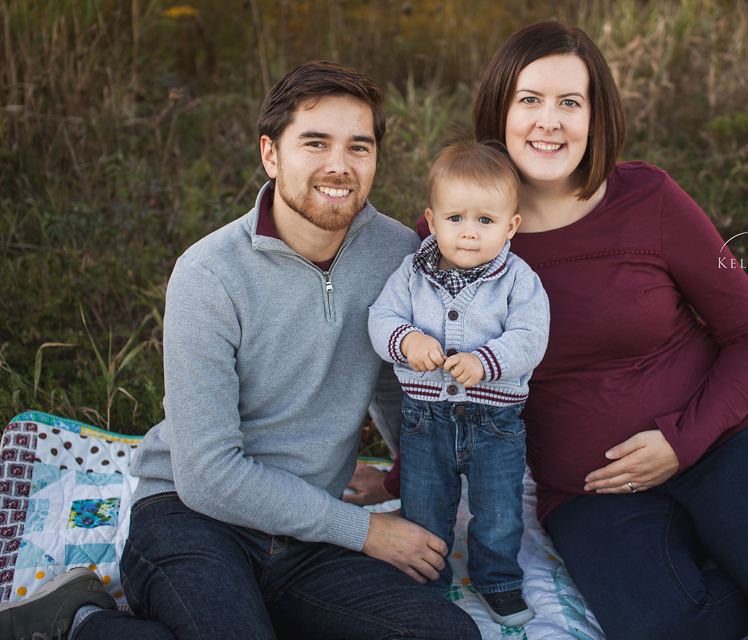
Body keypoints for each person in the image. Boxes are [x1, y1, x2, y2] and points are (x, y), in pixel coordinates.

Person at [349, 21, 748, 640]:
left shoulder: (650, 199)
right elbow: (437, 379)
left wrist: (681, 441)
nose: (548, 121)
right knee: (665, 631)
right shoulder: (456, 232)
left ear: (597, 114)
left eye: (570, 102)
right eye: (529, 99)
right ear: (499, 110)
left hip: (719, 438)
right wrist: (398, 479)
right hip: (593, 488)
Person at [0, 61, 481, 640]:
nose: (340, 165)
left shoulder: (397, 254)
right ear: (270, 154)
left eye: (360, 146)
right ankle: (76, 621)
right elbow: (207, 475)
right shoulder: (209, 274)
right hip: (191, 519)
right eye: (315, 143)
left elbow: (399, 388)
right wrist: (364, 531)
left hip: (306, 536)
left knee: (449, 635)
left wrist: (411, 481)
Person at [367, 141, 549, 627]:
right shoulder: (410, 274)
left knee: (498, 511)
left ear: (511, 225)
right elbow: (380, 318)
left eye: (486, 221)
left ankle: (498, 580)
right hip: (425, 421)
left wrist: (486, 361)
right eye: (455, 219)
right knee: (425, 505)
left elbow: (531, 337)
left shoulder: (518, 281)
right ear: (432, 219)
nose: (469, 233)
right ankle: (426, 579)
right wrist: (405, 341)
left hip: (496, 423)